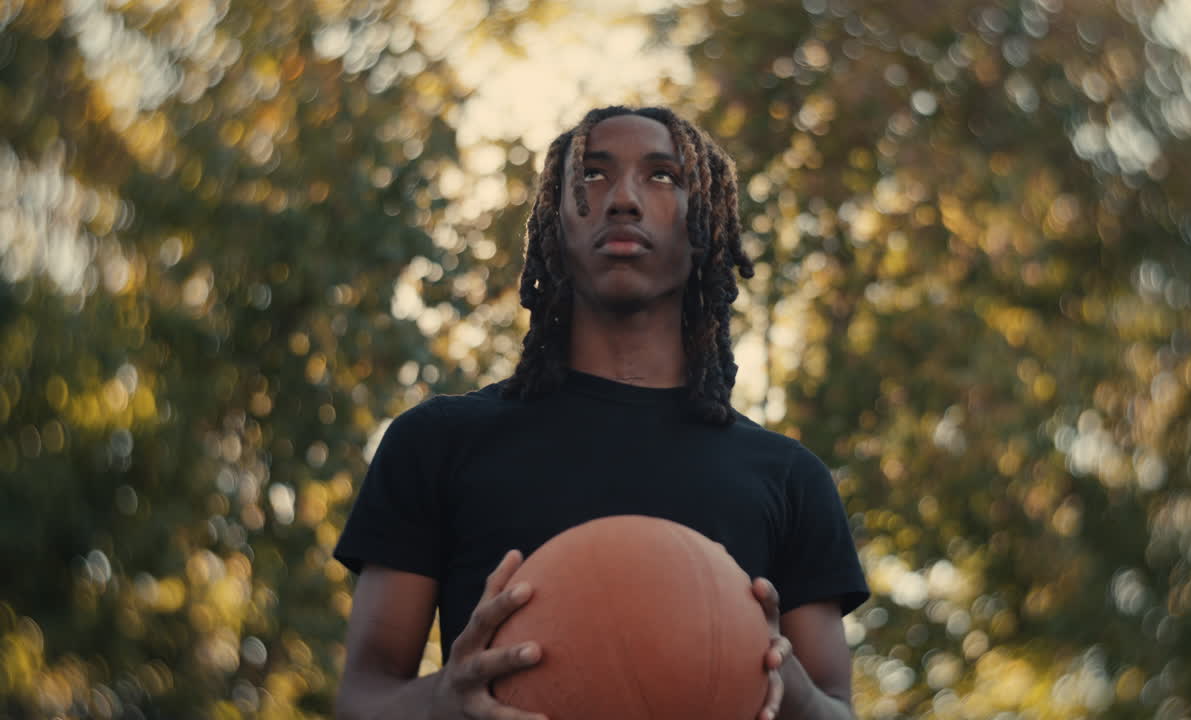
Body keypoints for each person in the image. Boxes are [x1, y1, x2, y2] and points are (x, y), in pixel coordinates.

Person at [333, 105, 869, 720]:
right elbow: (362, 699)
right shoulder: (436, 443)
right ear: (554, 220)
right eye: (591, 174)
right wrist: (443, 698)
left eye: (663, 175)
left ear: (707, 224)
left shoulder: (789, 477)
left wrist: (792, 691)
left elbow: (837, 710)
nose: (623, 199)